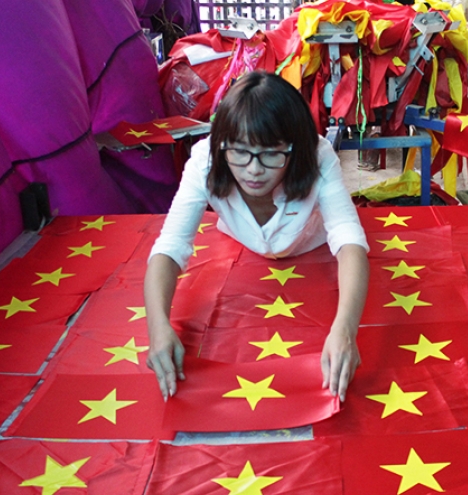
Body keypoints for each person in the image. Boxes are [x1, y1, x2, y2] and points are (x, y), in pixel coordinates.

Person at [144, 71, 370, 403]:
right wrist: (158, 326)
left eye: (271, 154)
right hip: (239, 253)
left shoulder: (319, 157)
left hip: (312, 252)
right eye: (240, 152)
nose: (253, 169)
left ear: (296, 148)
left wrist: (346, 330)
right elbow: (171, 245)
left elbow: (349, 240)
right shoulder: (205, 160)